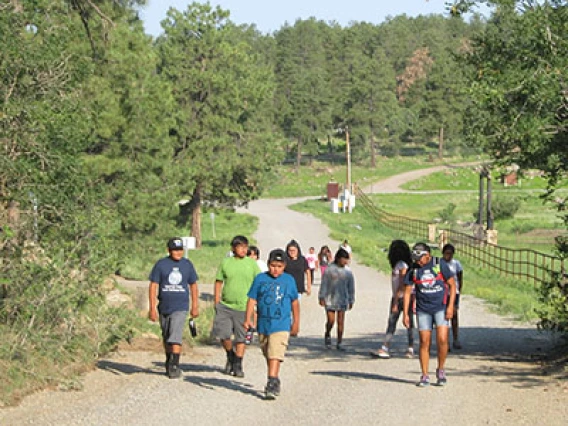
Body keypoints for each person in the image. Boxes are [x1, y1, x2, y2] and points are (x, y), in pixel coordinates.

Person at [244, 249, 300, 400]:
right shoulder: (260, 279)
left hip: (281, 324)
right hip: (263, 323)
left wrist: (296, 322)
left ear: (284, 266)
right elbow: (252, 299)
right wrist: (247, 319)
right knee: (268, 352)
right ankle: (274, 377)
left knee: (275, 351)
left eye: (280, 266)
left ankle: (272, 381)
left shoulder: (288, 280)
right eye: (273, 266)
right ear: (268, 264)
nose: (276, 269)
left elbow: (295, 302)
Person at [403, 242, 456, 387]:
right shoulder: (413, 269)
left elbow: (452, 285)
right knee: (424, 342)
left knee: (442, 339)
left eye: (419, 259)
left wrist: (451, 307)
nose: (418, 262)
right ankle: (425, 375)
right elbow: (407, 292)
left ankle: (441, 369)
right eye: (415, 259)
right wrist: (406, 314)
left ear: (428, 255)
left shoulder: (439, 264)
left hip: (441, 308)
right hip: (423, 310)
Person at [148, 237, 199, 379]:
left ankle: (175, 364)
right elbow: (153, 286)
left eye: (180, 249)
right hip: (164, 306)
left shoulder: (187, 265)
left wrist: (195, 305)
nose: (178, 252)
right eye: (175, 250)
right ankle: (169, 358)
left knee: (175, 336)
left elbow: (193, 285)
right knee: (166, 336)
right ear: (169, 250)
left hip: (180, 306)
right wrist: (152, 307)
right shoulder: (161, 265)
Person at [212, 235, 261, 378]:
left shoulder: (251, 264)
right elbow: (218, 282)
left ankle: (238, 363)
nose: (243, 250)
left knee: (241, 337)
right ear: (233, 248)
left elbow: (258, 282)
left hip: (244, 306)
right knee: (223, 334)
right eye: (240, 247)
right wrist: (216, 301)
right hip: (226, 305)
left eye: (246, 247)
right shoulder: (226, 262)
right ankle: (230, 355)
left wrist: (256, 302)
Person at [373, 240, 415, 359]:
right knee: (406, 323)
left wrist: (396, 301)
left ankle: (388, 347)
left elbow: (402, 285)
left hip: (401, 297)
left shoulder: (402, 265)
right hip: (402, 296)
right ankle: (408, 348)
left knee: (395, 322)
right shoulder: (402, 264)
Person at [318, 248, 355, 350]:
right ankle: (328, 333)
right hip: (330, 298)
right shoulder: (329, 270)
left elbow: (351, 286)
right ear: (338, 258)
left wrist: (351, 299)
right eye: (344, 259)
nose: (345, 262)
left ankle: (339, 342)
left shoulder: (348, 271)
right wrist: (321, 296)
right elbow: (324, 284)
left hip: (342, 298)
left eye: (347, 260)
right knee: (331, 320)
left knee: (341, 321)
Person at [440, 243, 464, 350]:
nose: (448, 256)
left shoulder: (456, 264)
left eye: (450, 254)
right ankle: (445, 341)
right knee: (443, 317)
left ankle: (455, 339)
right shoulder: (438, 263)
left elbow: (459, 278)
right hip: (442, 292)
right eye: (446, 253)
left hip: (454, 292)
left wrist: (459, 291)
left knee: (454, 315)